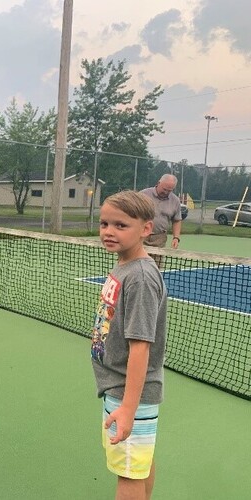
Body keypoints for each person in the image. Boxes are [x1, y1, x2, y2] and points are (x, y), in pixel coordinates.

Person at [91, 190, 168, 500]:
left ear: (145, 229)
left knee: (128, 474)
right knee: (138, 464)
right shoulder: (124, 266)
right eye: (104, 223)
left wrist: (128, 409)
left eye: (121, 226)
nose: (109, 232)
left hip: (129, 393)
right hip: (120, 389)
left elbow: (140, 347)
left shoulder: (140, 277)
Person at [139, 174, 182, 250]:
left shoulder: (175, 200)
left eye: (169, 190)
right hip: (140, 235)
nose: (166, 192)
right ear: (158, 183)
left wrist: (176, 238)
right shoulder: (142, 195)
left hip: (159, 239)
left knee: (156, 262)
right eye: (164, 189)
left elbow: (177, 220)